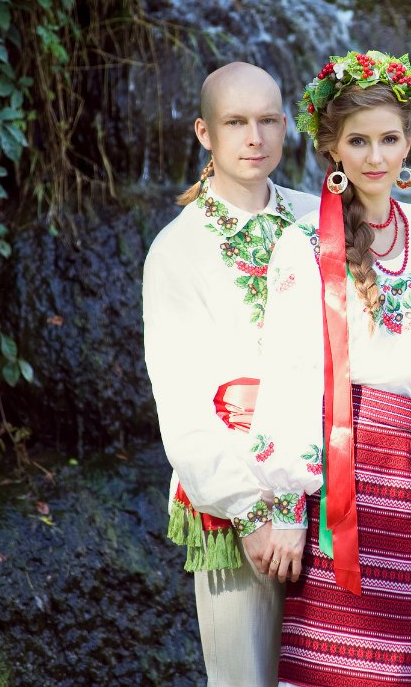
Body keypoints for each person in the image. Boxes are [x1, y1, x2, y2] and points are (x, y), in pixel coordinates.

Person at [246, 50, 411, 687]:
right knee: (342, 666)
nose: (375, 156)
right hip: (345, 482)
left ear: (410, 140)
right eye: (358, 141)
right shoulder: (305, 243)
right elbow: (291, 371)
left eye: (389, 139)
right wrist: (287, 509)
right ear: (332, 147)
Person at [142, 61, 320, 686]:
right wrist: (250, 512)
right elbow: (181, 403)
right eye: (236, 122)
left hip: (331, 490)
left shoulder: (319, 219)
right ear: (204, 132)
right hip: (237, 499)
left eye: (268, 120)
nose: (255, 138)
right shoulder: (177, 250)